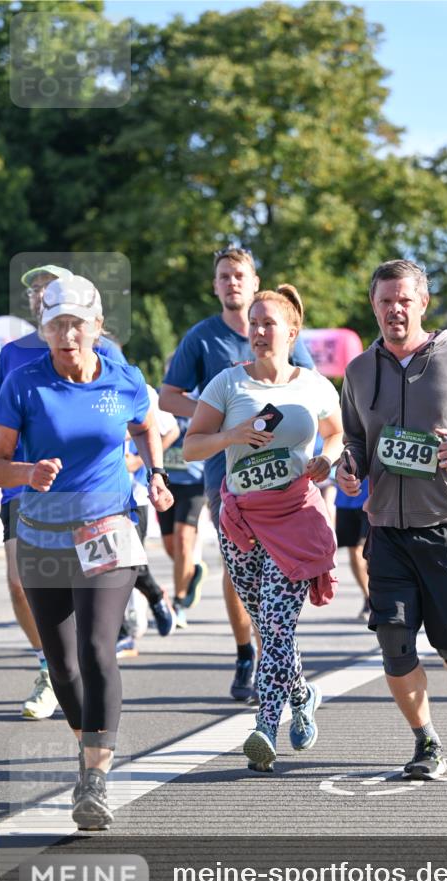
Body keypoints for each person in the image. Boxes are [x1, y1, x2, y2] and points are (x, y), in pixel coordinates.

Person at [0, 275, 173, 830]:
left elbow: (146, 426)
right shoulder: (23, 384)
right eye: (56, 325)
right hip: (43, 535)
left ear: (96, 327)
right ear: (44, 329)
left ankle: (94, 777)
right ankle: (86, 742)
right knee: (62, 664)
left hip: (108, 528)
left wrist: (156, 473)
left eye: (76, 325)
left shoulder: (123, 377)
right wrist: (27, 473)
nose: (66, 335)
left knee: (96, 648)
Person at [336, 259, 447, 780]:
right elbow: (356, 438)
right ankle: (426, 740)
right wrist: (349, 467)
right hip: (387, 529)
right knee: (393, 641)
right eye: (386, 300)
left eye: (404, 300)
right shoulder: (358, 370)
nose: (395, 309)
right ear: (374, 306)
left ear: (423, 304)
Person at [183, 284, 342, 772]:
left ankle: (264, 728)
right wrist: (232, 434)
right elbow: (191, 446)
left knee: (276, 624)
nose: (257, 331)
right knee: (267, 626)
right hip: (242, 522)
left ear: (292, 331)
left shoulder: (314, 386)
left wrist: (327, 459)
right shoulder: (228, 383)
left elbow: (336, 433)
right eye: (253, 323)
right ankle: (302, 693)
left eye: (268, 323)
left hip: (295, 518)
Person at [160, 246, 315, 702]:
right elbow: (168, 396)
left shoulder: (280, 329)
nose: (232, 283)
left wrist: (324, 455)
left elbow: (312, 391)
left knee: (278, 566)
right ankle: (249, 651)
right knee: (241, 560)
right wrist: (219, 415)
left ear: (254, 282)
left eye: (239, 275)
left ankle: (275, 659)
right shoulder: (202, 338)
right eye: (224, 276)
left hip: (283, 471)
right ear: (215, 286)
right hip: (224, 471)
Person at [0, 264, 124, 719]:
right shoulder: (12, 355)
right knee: (18, 583)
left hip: (93, 497)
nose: (39, 294)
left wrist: (147, 471)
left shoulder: (106, 350)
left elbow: (130, 415)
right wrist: (15, 465)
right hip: (24, 489)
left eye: (49, 288)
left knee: (91, 613)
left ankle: (95, 649)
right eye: (36, 291)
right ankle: (50, 664)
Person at [116, 383, 180, 657]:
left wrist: (141, 462)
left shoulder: (139, 387)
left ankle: (152, 598)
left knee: (127, 563)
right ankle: (122, 633)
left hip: (136, 494)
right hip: (94, 496)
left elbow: (171, 430)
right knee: (105, 565)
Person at [156, 376, 208, 629]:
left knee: (183, 539)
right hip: (166, 481)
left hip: (195, 481)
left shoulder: (202, 399)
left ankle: (178, 603)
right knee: (171, 547)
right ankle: (193, 570)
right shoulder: (159, 398)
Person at [334, 476, 370, 619]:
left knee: (367, 552)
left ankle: (379, 596)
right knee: (354, 553)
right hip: (345, 501)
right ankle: (368, 597)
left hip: (371, 500)